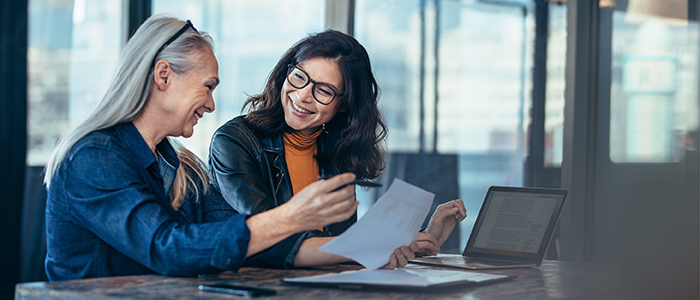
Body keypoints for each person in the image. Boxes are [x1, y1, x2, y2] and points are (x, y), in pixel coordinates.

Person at [43, 16, 426, 281]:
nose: (211, 104)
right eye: (208, 86)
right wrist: (291, 216)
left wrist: (378, 245)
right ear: (163, 76)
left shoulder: (180, 166)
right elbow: (166, 249)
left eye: (324, 90)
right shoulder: (93, 157)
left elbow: (254, 245)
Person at [208, 30, 467, 252]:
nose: (302, 96)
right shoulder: (234, 141)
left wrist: (420, 238)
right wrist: (372, 246)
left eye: (323, 90)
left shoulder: (337, 152)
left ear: (345, 105)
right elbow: (267, 236)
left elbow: (343, 244)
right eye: (299, 76)